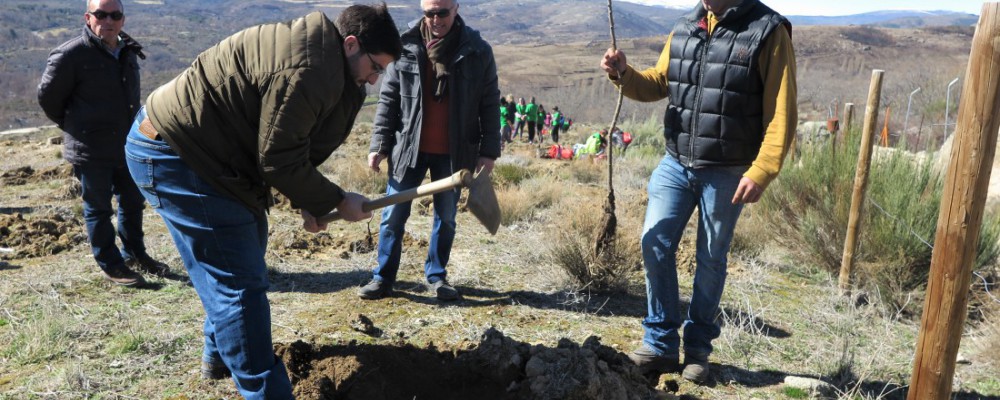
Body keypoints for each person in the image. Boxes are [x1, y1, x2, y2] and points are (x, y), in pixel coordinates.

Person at [123, 5, 402, 398]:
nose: (374, 80)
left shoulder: (325, 57)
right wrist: (338, 200)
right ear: (351, 43)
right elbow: (280, 159)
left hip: (216, 158)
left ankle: (219, 357)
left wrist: (311, 200)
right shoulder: (309, 68)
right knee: (240, 284)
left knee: (244, 249)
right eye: (375, 67)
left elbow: (289, 141)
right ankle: (264, 390)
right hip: (175, 154)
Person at [600, 0, 796, 384]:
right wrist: (624, 73)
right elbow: (660, 81)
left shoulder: (768, 30)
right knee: (654, 242)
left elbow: (781, 110)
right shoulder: (686, 25)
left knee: (710, 258)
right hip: (676, 162)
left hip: (728, 169)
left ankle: (698, 350)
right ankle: (659, 343)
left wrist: (763, 169)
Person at [361, 0, 500, 301]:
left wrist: (488, 152)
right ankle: (383, 279)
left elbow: (489, 103)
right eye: (429, 13)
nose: (436, 19)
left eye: (442, 12)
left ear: (456, 9)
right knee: (392, 215)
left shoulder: (478, 50)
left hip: (454, 152)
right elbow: (389, 99)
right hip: (408, 148)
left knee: (446, 217)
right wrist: (379, 145)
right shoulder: (406, 45)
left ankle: (436, 277)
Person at [37, 0, 168, 287]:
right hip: (91, 148)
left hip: (127, 145)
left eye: (115, 15)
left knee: (133, 203)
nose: (108, 20)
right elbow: (48, 98)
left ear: (123, 19)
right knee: (98, 209)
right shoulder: (71, 54)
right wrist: (76, 126)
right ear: (88, 17)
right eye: (100, 14)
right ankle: (111, 264)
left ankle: (135, 254)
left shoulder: (127, 51)